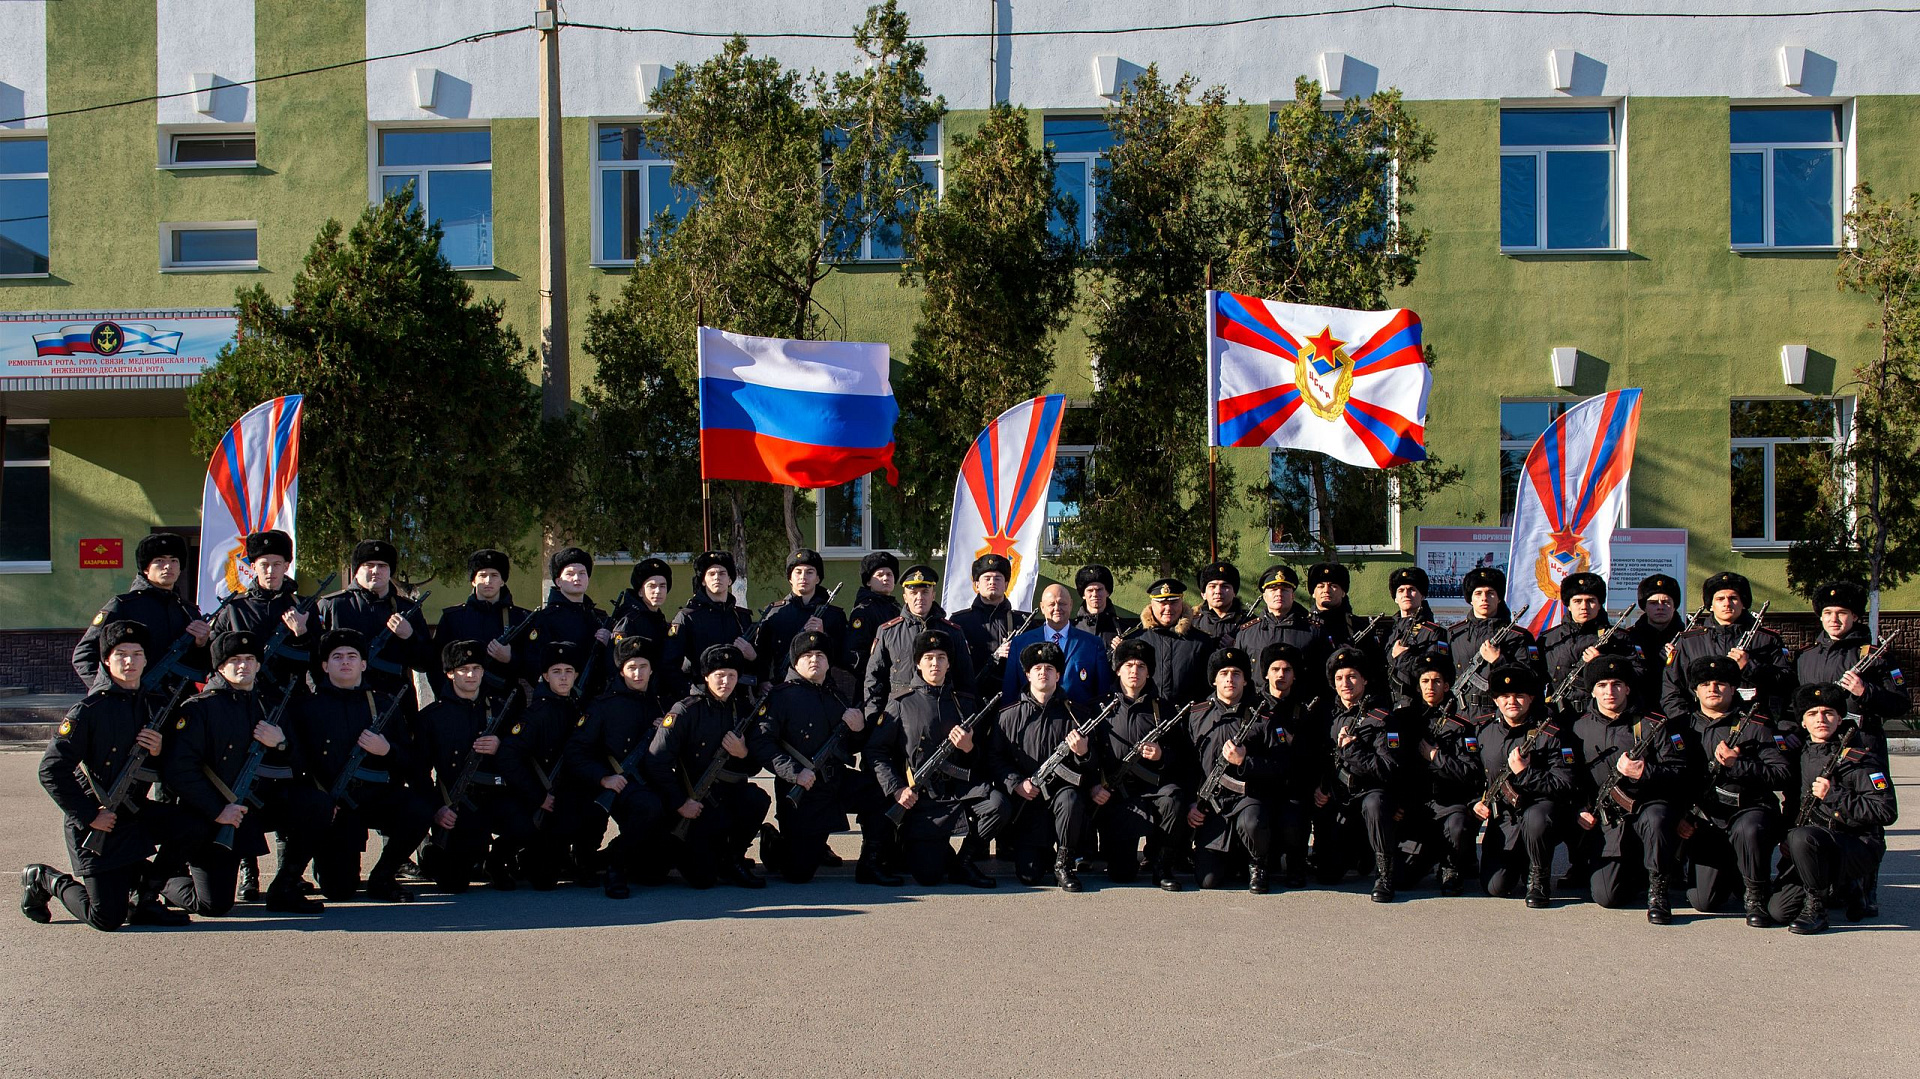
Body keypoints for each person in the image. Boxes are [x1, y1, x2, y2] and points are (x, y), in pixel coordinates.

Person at [24, 621, 197, 930]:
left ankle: (146, 897)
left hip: (132, 814)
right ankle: (45, 879)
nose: (129, 662)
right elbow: (51, 769)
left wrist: (159, 752)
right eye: (121, 655)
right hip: (96, 822)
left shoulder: (157, 706)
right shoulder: (89, 710)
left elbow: (176, 769)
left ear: (146, 659)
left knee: (193, 823)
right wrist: (90, 815)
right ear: (106, 660)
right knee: (106, 919)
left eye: (137, 654)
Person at [160, 630, 319, 916]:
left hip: (255, 808)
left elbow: (300, 765)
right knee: (213, 905)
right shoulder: (199, 709)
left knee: (317, 805)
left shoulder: (270, 705)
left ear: (259, 664)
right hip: (212, 815)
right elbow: (178, 771)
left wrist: (281, 743)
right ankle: (158, 880)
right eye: (234, 660)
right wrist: (218, 810)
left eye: (249, 659)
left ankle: (284, 887)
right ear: (220, 667)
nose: (243, 665)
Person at [281, 629, 433, 903]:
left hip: (375, 797)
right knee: (339, 890)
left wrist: (387, 749)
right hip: (335, 806)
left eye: (352, 656)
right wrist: (320, 802)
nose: (345, 662)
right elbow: (297, 763)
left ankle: (384, 876)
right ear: (325, 666)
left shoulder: (383, 704)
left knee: (419, 808)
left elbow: (411, 759)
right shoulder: (306, 709)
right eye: (336, 657)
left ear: (364, 664)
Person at [1792, 579, 1906, 917]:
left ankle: (1865, 888)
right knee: (1820, 810)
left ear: (1856, 617)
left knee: (1865, 816)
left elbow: (1901, 703)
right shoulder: (1806, 657)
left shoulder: (1875, 656)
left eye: (1842, 613)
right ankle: (1830, 884)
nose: (1834, 619)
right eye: (1827, 613)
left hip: (1861, 746)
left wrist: (1864, 690)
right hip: (1818, 749)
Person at [752, 630, 893, 885]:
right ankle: (773, 842)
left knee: (879, 792)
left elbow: (851, 745)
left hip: (836, 781)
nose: (814, 659)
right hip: (804, 789)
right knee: (799, 874)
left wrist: (859, 730)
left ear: (828, 662)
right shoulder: (780, 696)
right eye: (807, 655)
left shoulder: (835, 695)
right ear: (795, 662)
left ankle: (870, 863)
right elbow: (761, 743)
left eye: (820, 655)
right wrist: (794, 772)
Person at [866, 630, 1003, 888]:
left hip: (959, 791)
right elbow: (876, 752)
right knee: (929, 877)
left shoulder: (965, 703)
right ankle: (912, 845)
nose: (935, 664)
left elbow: (983, 757)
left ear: (949, 663)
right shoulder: (900, 703)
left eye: (941, 657)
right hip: (921, 799)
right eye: (928, 658)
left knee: (998, 804)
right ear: (918, 663)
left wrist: (969, 746)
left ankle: (965, 861)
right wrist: (896, 789)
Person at [1571, 654, 1699, 924]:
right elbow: (1572, 778)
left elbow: (1680, 773)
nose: (1610, 691)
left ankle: (1658, 889)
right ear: (1592, 690)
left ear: (1628, 687)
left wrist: (1645, 772)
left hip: (1647, 809)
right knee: (1607, 897)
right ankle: (1635, 872)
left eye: (1617, 684)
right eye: (1602, 685)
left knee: (1656, 817)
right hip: (1607, 818)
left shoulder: (1654, 724)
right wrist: (1580, 808)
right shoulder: (1579, 727)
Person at [1768, 683, 1900, 934]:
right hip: (1810, 847)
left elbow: (1886, 812)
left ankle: (1817, 909)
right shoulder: (1798, 757)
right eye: (1812, 713)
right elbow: (1792, 803)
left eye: (1828, 713)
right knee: (1779, 911)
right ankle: (1841, 889)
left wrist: (1835, 796)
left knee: (1802, 837)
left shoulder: (1860, 759)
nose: (1821, 719)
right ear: (1803, 722)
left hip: (1854, 845)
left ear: (1840, 719)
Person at [646, 644, 769, 889]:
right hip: (694, 801)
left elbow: (756, 765)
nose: (726, 681)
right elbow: (656, 761)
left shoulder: (743, 710)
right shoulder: (686, 710)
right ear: (706, 676)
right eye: (719, 675)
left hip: (729, 796)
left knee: (757, 798)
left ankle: (733, 858)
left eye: (731, 675)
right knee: (702, 879)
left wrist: (742, 753)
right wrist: (680, 803)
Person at [413, 640, 531, 894]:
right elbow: (418, 772)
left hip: (499, 795)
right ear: (449, 673)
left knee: (528, 825)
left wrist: (502, 744)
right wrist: (437, 809)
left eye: (476, 668)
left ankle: (496, 861)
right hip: (461, 803)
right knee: (453, 884)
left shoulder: (500, 709)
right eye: (463, 669)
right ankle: (431, 849)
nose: (471, 675)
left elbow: (524, 749)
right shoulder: (432, 717)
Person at [1679, 656, 1788, 926]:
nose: (1713, 689)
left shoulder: (1757, 724)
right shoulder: (1681, 727)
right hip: (1706, 820)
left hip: (1749, 811)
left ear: (1733, 688)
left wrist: (1738, 765)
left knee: (1748, 829)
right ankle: (1734, 872)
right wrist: (1681, 815)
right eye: (1705, 683)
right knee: (1704, 902)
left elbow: (1782, 774)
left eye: (1720, 683)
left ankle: (1755, 894)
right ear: (1695, 690)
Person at [564, 635, 668, 898]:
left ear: (651, 668)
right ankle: (615, 866)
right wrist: (603, 778)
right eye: (631, 667)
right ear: (621, 670)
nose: (638, 673)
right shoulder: (603, 705)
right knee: (649, 807)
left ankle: (609, 858)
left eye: (643, 666)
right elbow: (576, 752)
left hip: (646, 781)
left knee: (655, 873)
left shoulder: (658, 701)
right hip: (614, 784)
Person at [995, 641, 1101, 891]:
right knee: (1029, 876)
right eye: (1038, 668)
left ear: (1059, 675)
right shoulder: (1008, 716)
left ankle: (1064, 862)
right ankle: (1041, 854)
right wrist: (1016, 784)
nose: (1044, 672)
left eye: (1050, 668)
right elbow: (995, 759)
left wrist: (1083, 753)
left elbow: (1095, 764)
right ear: (1028, 674)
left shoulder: (1077, 715)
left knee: (1071, 798)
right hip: (1028, 803)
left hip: (1062, 800)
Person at [1093, 637, 1193, 890]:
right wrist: (1095, 785)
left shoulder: (1164, 709)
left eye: (1140, 666)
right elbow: (1090, 755)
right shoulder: (1101, 708)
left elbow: (1184, 756)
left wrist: (1162, 755)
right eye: (1128, 666)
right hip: (1117, 794)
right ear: (1118, 670)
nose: (1134, 672)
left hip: (1155, 788)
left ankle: (1162, 864)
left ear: (1149, 672)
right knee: (1122, 874)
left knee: (1174, 799)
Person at [1315, 646, 1414, 901]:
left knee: (1374, 803)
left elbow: (1389, 769)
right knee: (1328, 874)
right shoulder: (1328, 717)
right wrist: (1322, 787)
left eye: (1352, 676)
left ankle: (1385, 874)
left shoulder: (1382, 719)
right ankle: (1357, 854)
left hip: (1371, 796)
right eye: (1339, 678)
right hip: (1341, 800)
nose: (1345, 683)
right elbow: (1322, 760)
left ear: (1365, 680)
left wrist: (1354, 750)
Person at [1472, 664, 1573, 907]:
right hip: (1505, 816)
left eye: (1519, 696)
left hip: (1539, 810)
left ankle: (1539, 877)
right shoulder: (1484, 731)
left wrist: (1526, 773)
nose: (1512, 701)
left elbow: (1564, 782)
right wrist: (1475, 801)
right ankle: (1521, 861)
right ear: (1496, 700)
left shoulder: (1549, 733)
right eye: (1505, 696)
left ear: (1531, 698)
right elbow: (1474, 774)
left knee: (1536, 818)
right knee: (1495, 887)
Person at [1184, 647, 1280, 892]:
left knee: (1252, 822)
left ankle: (1258, 863)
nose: (1230, 679)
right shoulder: (1197, 715)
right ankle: (1233, 857)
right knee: (1207, 881)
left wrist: (1245, 761)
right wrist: (1191, 804)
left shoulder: (1262, 716)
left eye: (1236, 673)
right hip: (1213, 804)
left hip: (1249, 798)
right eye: (1224, 673)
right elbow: (1186, 764)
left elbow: (1281, 765)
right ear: (1214, 679)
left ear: (1245, 679)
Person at [495, 642, 590, 889]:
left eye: (569, 671)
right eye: (556, 671)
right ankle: (499, 859)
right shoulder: (537, 714)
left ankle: (566, 857)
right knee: (543, 880)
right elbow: (508, 756)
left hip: (566, 795)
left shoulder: (577, 707)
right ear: (545, 676)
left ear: (576, 675)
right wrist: (537, 796)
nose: (563, 677)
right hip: (537, 798)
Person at [71, 532, 210, 692]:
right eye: (159, 561)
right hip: (137, 702)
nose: (168, 566)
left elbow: (201, 665)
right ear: (146, 568)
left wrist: (202, 644)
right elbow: (84, 655)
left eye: (174, 561)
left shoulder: (188, 611)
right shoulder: (123, 606)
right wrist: (110, 692)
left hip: (180, 702)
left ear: (180, 568)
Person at [1661, 571, 1792, 721]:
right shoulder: (1689, 642)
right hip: (1700, 727)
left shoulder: (1767, 640)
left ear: (1743, 603)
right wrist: (1684, 722)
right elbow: (1671, 689)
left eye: (1733, 598)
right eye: (1720, 599)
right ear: (1710, 605)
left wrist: (1751, 668)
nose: (1727, 604)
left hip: (1754, 726)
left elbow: (1787, 684)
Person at [1402, 651, 1482, 896]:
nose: (1430, 687)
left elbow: (1470, 772)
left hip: (1449, 803)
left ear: (1446, 686)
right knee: (1400, 880)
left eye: (1436, 681)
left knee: (1457, 824)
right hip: (1415, 804)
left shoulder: (1462, 726)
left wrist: (1436, 758)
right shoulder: (1403, 721)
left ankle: (1452, 866)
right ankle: (1428, 856)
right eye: (1425, 681)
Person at [314, 540, 434, 694]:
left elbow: (427, 662)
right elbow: (315, 659)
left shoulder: (407, 608)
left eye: (382, 566)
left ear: (390, 571)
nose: (376, 570)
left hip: (394, 699)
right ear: (357, 569)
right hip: (342, 698)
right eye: (369, 565)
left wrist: (409, 636)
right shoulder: (332, 605)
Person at [1253, 642, 1323, 887]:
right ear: (1265, 673)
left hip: (1294, 784)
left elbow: (1317, 753)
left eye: (1287, 670)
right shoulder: (1253, 707)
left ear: (1294, 675)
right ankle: (1260, 864)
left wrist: (1297, 742)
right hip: (1261, 782)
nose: (1280, 675)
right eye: (1275, 669)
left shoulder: (1306, 709)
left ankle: (1296, 864)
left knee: (1295, 817)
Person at [863, 563, 973, 719]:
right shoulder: (888, 632)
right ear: (905, 597)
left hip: (942, 714)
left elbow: (965, 680)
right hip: (899, 717)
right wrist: (873, 719)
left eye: (925, 592)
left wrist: (965, 717)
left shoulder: (952, 632)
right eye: (913, 592)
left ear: (933, 595)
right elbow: (874, 680)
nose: (919, 598)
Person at [210, 529, 314, 692]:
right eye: (264, 565)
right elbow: (215, 653)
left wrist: (302, 633)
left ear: (286, 566)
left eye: (277, 564)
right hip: (245, 693)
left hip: (292, 694)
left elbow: (319, 655)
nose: (270, 571)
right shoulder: (235, 608)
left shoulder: (303, 606)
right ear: (253, 567)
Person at [1537, 572, 1638, 720]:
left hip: (1600, 717)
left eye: (1591, 600)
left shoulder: (1619, 638)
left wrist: (1603, 664)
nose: (1584, 607)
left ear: (1599, 604)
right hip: (1558, 716)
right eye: (1577, 601)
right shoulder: (1548, 639)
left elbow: (1638, 675)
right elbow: (1536, 679)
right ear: (1568, 605)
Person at [1446, 567, 1541, 717]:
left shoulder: (1518, 636)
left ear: (1499, 598)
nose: (1484, 598)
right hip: (1461, 714)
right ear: (1470, 599)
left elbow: (1532, 678)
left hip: (1500, 716)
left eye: (1490, 593)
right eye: (1478, 593)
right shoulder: (1454, 634)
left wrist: (1499, 661)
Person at [434, 549, 532, 693]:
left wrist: (510, 658)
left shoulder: (520, 618)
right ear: (473, 581)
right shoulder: (454, 618)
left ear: (502, 581)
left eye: (494, 575)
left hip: (506, 700)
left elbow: (534, 665)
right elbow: (436, 663)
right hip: (462, 701)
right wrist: (447, 696)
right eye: (482, 575)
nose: (488, 581)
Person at [1000, 583, 1111, 710]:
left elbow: (1102, 693)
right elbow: (1010, 692)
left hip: (1076, 723)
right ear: (1042, 607)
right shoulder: (1020, 643)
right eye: (1051, 604)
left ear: (1071, 605)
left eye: (1062, 603)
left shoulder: (1092, 644)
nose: (1057, 608)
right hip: (1032, 721)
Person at [754, 548, 852, 689]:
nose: (803, 577)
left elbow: (844, 658)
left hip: (821, 689)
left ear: (818, 578)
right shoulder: (775, 613)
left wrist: (824, 635)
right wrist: (762, 682)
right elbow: (762, 654)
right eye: (798, 572)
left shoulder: (833, 615)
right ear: (790, 578)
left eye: (809, 572)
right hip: (782, 687)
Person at [664, 551, 756, 695]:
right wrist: (691, 692)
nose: (717, 578)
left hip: (738, 697)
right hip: (701, 696)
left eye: (722, 573)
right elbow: (670, 665)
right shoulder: (687, 617)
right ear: (703, 580)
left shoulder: (741, 617)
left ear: (730, 580)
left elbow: (758, 664)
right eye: (711, 574)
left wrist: (752, 656)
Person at [527, 547, 613, 699]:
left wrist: (610, 643)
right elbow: (534, 664)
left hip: (595, 699)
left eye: (582, 573)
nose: (577, 578)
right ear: (558, 581)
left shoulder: (599, 617)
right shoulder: (544, 618)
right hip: (558, 700)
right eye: (570, 574)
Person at [1232, 565, 1325, 699]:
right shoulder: (1247, 633)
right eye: (1273, 589)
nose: (1279, 594)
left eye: (1285, 589)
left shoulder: (1312, 631)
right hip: (1257, 707)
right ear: (1264, 596)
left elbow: (1322, 676)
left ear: (1293, 595)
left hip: (1300, 707)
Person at [949, 554, 1029, 700]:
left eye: (998, 578)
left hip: (1012, 700)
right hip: (972, 699)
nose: (992, 582)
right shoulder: (959, 622)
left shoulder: (1022, 622)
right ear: (977, 584)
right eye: (987, 578)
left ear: (1006, 584)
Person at [1133, 578, 1216, 707]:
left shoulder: (1200, 641)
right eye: (1162, 603)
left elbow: (1209, 686)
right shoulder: (1137, 639)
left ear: (1182, 602)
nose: (1168, 608)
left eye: (1173, 602)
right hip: (1147, 717)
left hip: (1188, 719)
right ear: (1152, 604)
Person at [1380, 567, 1446, 709]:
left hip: (1417, 706)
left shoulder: (1434, 632)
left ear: (1422, 595)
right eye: (1401, 590)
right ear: (1395, 598)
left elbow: (1435, 670)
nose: (1406, 594)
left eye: (1412, 589)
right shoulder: (1389, 632)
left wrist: (1403, 658)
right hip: (1389, 704)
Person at [1625, 573, 1688, 710]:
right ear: (1644, 607)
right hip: (1640, 711)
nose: (1660, 607)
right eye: (1653, 603)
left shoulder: (1688, 638)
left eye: (1666, 602)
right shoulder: (1629, 638)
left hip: (1680, 710)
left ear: (1674, 606)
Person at [847, 551, 901, 680]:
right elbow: (855, 654)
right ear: (868, 581)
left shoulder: (896, 608)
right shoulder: (863, 611)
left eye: (889, 574)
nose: (886, 578)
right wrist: (875, 674)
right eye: (880, 575)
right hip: (873, 682)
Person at [1070, 564, 1137, 645]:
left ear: (1107, 592)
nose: (1095, 594)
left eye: (1099, 590)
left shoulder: (1124, 629)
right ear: (1083, 595)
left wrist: (1122, 650)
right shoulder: (1071, 628)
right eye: (1090, 590)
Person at [1190, 561, 1248, 645]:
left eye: (1225, 586)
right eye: (1212, 586)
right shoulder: (1191, 623)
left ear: (1234, 592)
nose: (1218, 591)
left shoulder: (1249, 623)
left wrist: (1237, 645)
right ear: (1203, 594)